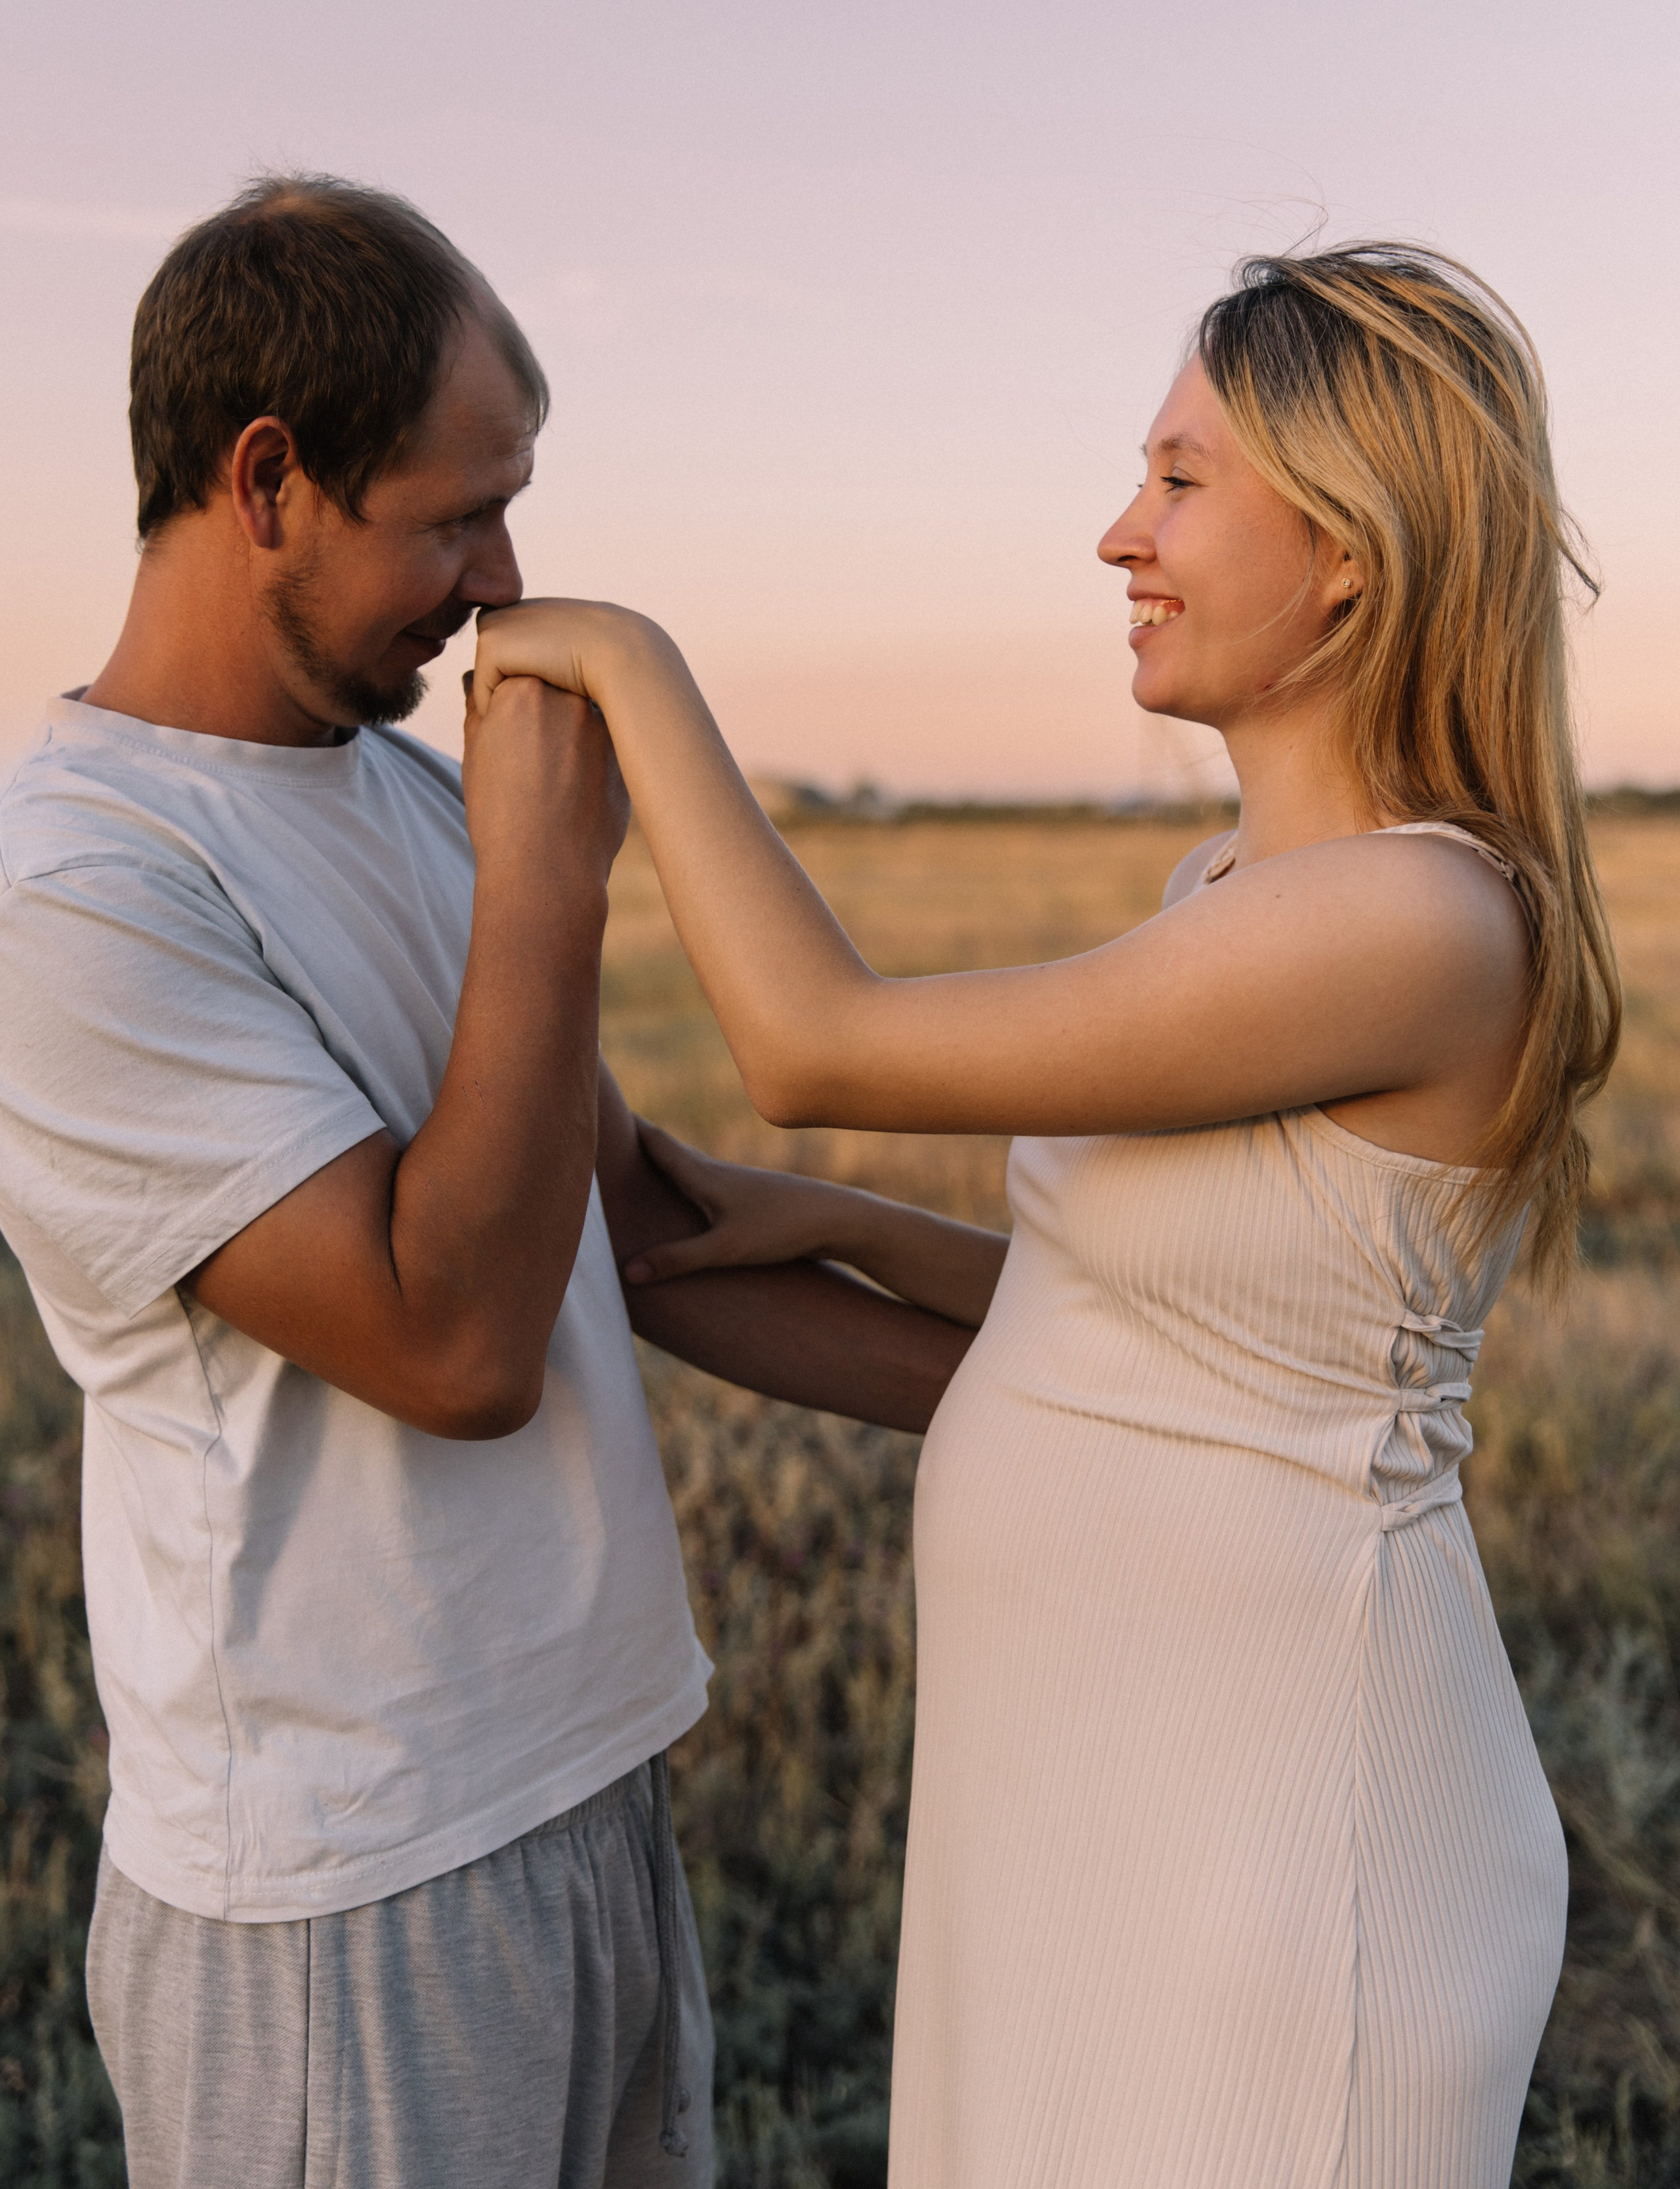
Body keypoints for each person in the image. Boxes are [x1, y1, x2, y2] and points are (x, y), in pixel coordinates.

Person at [472, 242, 1622, 2189]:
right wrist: (819, 1224)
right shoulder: (1231, 886)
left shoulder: (1418, 919)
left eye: (1181, 478)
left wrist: (626, 662)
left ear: (1350, 547)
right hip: (1099, 1811)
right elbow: (1208, 1321)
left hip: (1280, 1852)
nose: (1121, 533)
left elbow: (814, 1035)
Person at [0, 176, 986, 2189]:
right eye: (453, 515)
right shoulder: (76, 892)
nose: (501, 575)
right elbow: (456, 1340)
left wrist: (1118, 1392)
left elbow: (626, 1236)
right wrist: (551, 872)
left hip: (589, 1785)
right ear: (263, 479)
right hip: (346, 1891)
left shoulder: (410, 792)